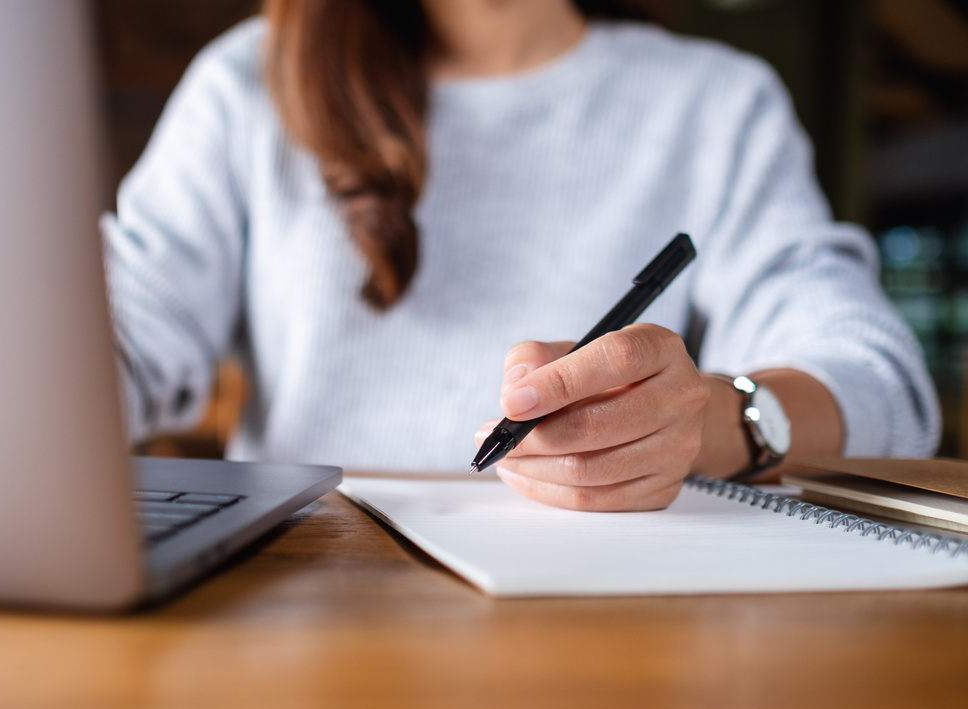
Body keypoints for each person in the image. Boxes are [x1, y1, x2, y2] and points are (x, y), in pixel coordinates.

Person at [104, 0, 940, 511]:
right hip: (295, 614)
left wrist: (719, 421)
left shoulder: (716, 103)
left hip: (602, 626)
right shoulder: (248, 84)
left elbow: (884, 388)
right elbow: (120, 334)